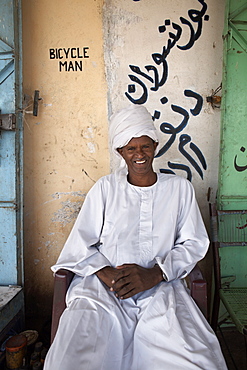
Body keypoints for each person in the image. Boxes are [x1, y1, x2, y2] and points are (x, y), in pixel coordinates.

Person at [44, 105, 227, 370]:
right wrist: (107, 274)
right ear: (121, 152)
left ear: (155, 145)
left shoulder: (179, 189)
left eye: (145, 146)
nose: (139, 154)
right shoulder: (105, 189)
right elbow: (80, 244)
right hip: (104, 289)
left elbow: (194, 243)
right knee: (74, 357)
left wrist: (156, 274)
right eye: (131, 149)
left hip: (163, 288)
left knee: (190, 359)